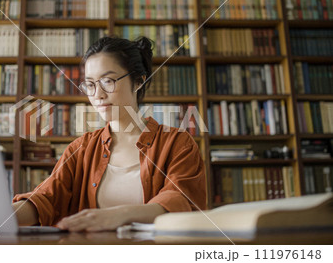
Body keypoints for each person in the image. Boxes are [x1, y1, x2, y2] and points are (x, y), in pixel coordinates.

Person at [12, 36, 206, 232]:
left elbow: (180, 201)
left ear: (138, 81)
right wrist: (0, 216)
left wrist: (119, 215)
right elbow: (45, 199)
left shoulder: (177, 144)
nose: (98, 94)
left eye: (108, 81)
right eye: (90, 84)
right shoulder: (81, 148)